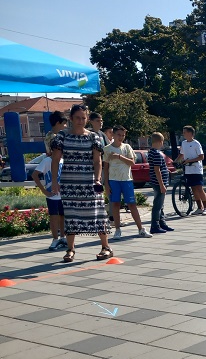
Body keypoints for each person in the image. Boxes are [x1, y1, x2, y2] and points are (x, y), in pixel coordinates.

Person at [49, 104, 112, 262]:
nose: (80, 121)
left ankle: (106, 247)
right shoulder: (62, 136)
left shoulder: (93, 137)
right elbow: (55, 160)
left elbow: (97, 161)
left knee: (98, 214)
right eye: (77, 117)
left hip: (90, 181)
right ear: (71, 118)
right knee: (71, 215)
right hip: (69, 183)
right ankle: (70, 249)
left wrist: (97, 179)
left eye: (83, 118)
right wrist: (55, 181)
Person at [103, 126, 152, 239]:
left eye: (123, 135)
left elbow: (132, 162)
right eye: (119, 135)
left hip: (126, 179)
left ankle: (141, 229)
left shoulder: (127, 147)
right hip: (113, 180)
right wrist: (106, 184)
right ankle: (117, 229)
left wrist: (119, 157)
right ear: (113, 135)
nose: (121, 137)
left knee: (132, 204)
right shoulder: (107, 149)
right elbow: (105, 167)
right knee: (115, 204)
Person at [32, 152, 66, 250]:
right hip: (52, 195)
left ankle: (63, 238)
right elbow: (35, 175)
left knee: (63, 216)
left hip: (63, 195)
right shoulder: (47, 160)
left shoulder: (63, 161)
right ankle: (55, 239)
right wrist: (44, 190)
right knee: (53, 217)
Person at [175, 125, 206, 215]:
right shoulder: (184, 143)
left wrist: (189, 160)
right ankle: (199, 207)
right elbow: (181, 154)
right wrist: (175, 161)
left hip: (196, 169)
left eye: (185, 132)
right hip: (188, 169)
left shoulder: (196, 143)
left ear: (190, 133)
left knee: (199, 188)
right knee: (193, 188)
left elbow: (201, 156)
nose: (183, 134)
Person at [148, 132, 174, 234]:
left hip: (155, 181)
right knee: (158, 205)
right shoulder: (157, 154)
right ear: (160, 142)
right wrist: (162, 184)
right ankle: (155, 225)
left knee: (160, 204)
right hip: (159, 182)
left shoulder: (151, 152)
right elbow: (157, 169)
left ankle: (162, 223)